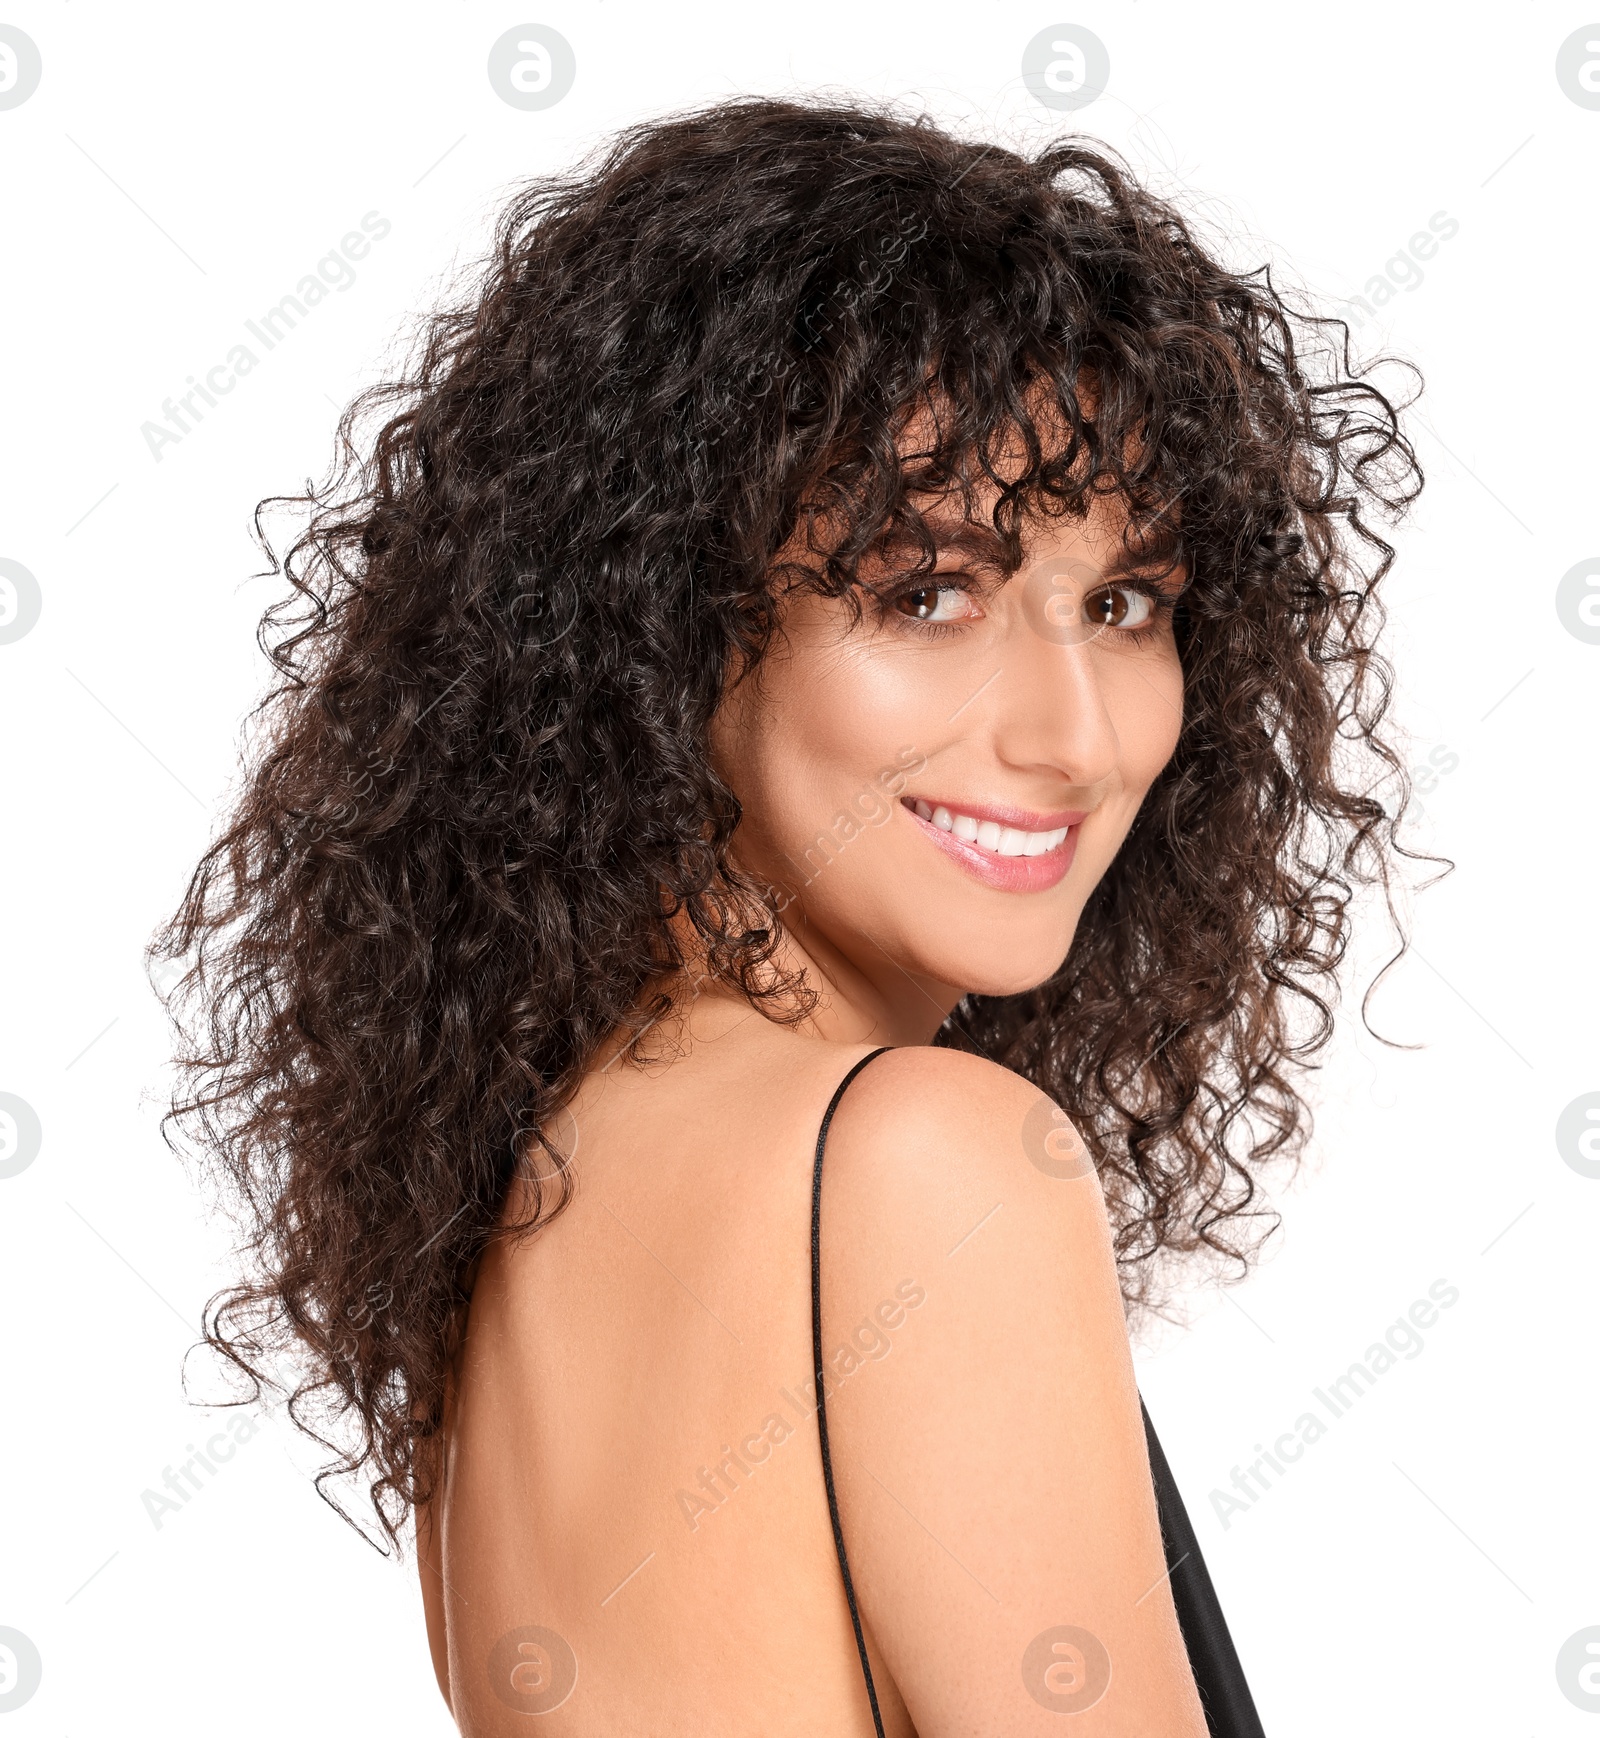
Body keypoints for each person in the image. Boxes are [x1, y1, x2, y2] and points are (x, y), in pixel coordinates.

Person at [157, 96, 1423, 1734]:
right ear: (664, 625)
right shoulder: (922, 1163)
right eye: (928, 591)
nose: (1073, 734)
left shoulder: (523, 1195)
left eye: (1124, 605)